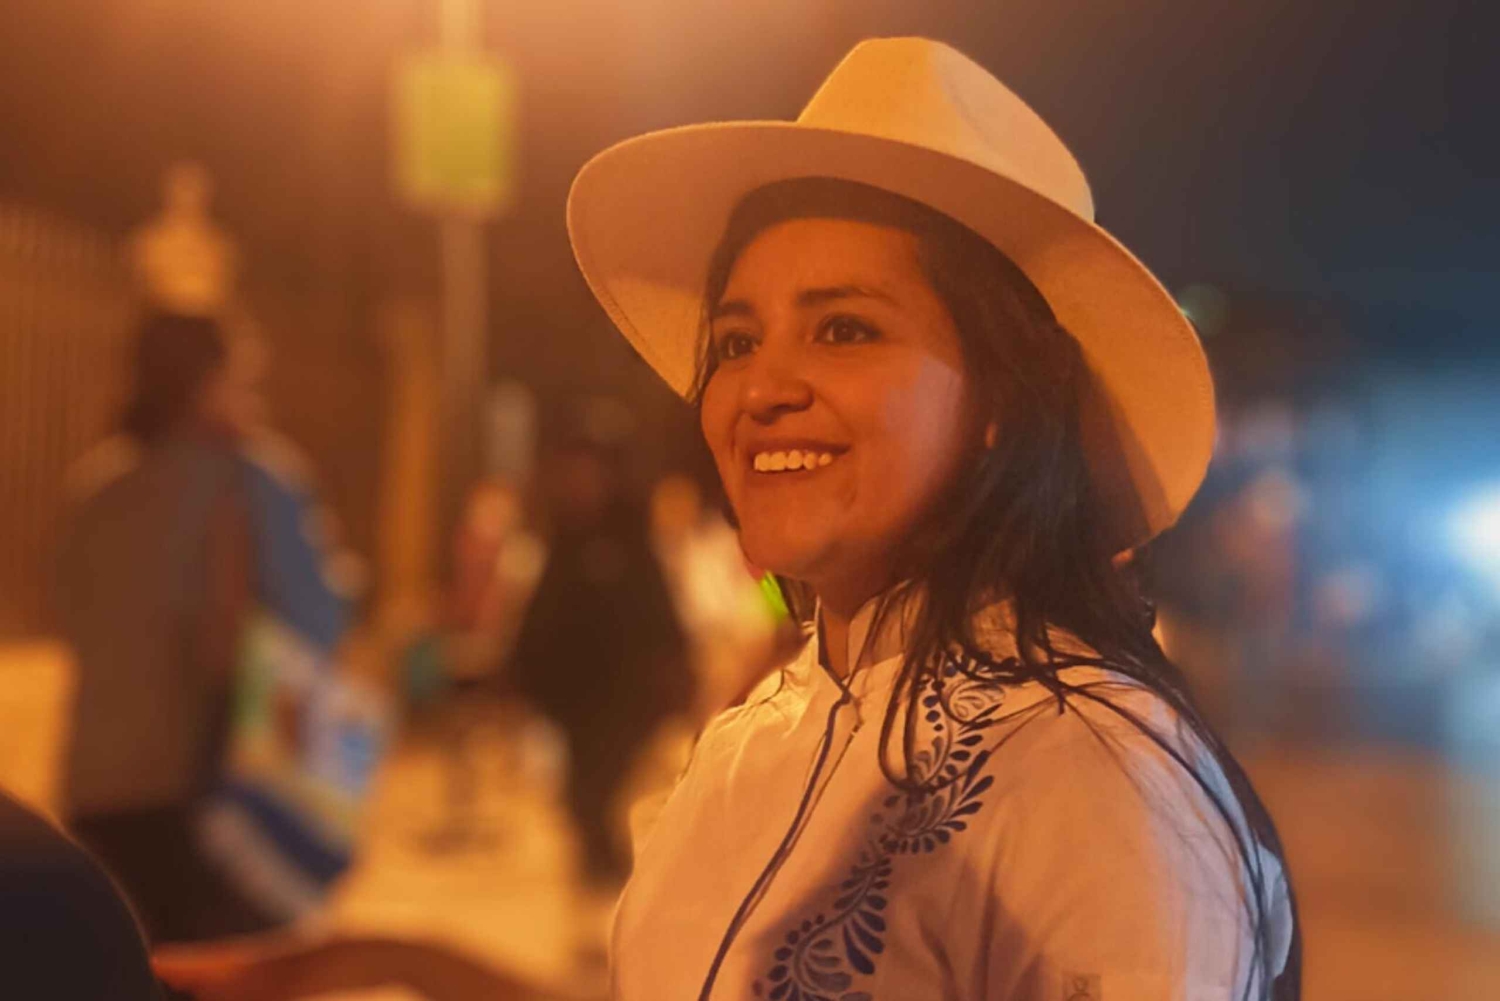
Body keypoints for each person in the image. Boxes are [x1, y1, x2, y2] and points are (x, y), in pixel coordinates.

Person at [564, 37, 1300, 1000]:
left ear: (1002, 399)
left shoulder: (1092, 775)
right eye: (737, 341)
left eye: (844, 329)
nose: (761, 388)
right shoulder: (745, 743)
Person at [55, 311, 279, 944]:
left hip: (94, 785)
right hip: (189, 792)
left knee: (124, 966)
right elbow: (225, 651)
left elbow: (69, 619)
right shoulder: (231, 485)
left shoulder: (97, 486)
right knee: (205, 971)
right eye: (242, 381)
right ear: (210, 384)